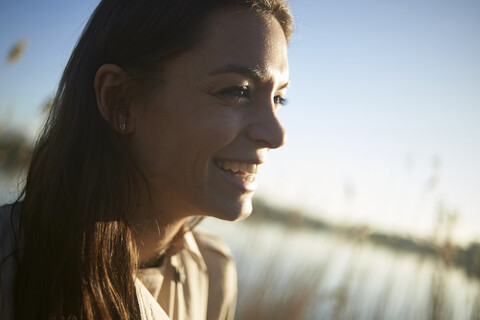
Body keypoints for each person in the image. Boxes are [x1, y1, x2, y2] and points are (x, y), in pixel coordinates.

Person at [0, 0, 293, 319]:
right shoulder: (11, 263)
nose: (277, 135)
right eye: (238, 91)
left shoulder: (214, 274)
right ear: (119, 100)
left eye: (278, 98)